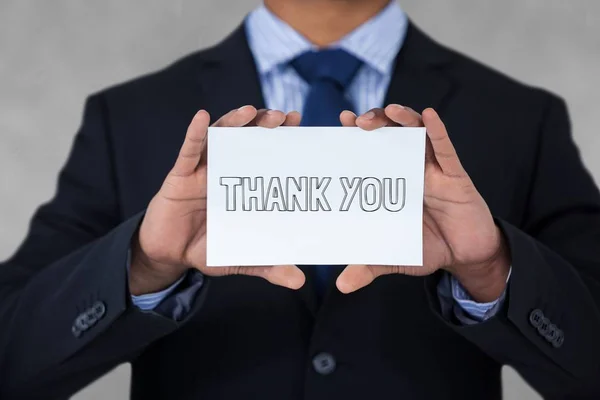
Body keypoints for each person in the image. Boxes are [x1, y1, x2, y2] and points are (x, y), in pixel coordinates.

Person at [1, 0, 599, 398]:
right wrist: (141, 265)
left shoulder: (521, 117)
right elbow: (11, 359)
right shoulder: (128, 115)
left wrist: (494, 269)